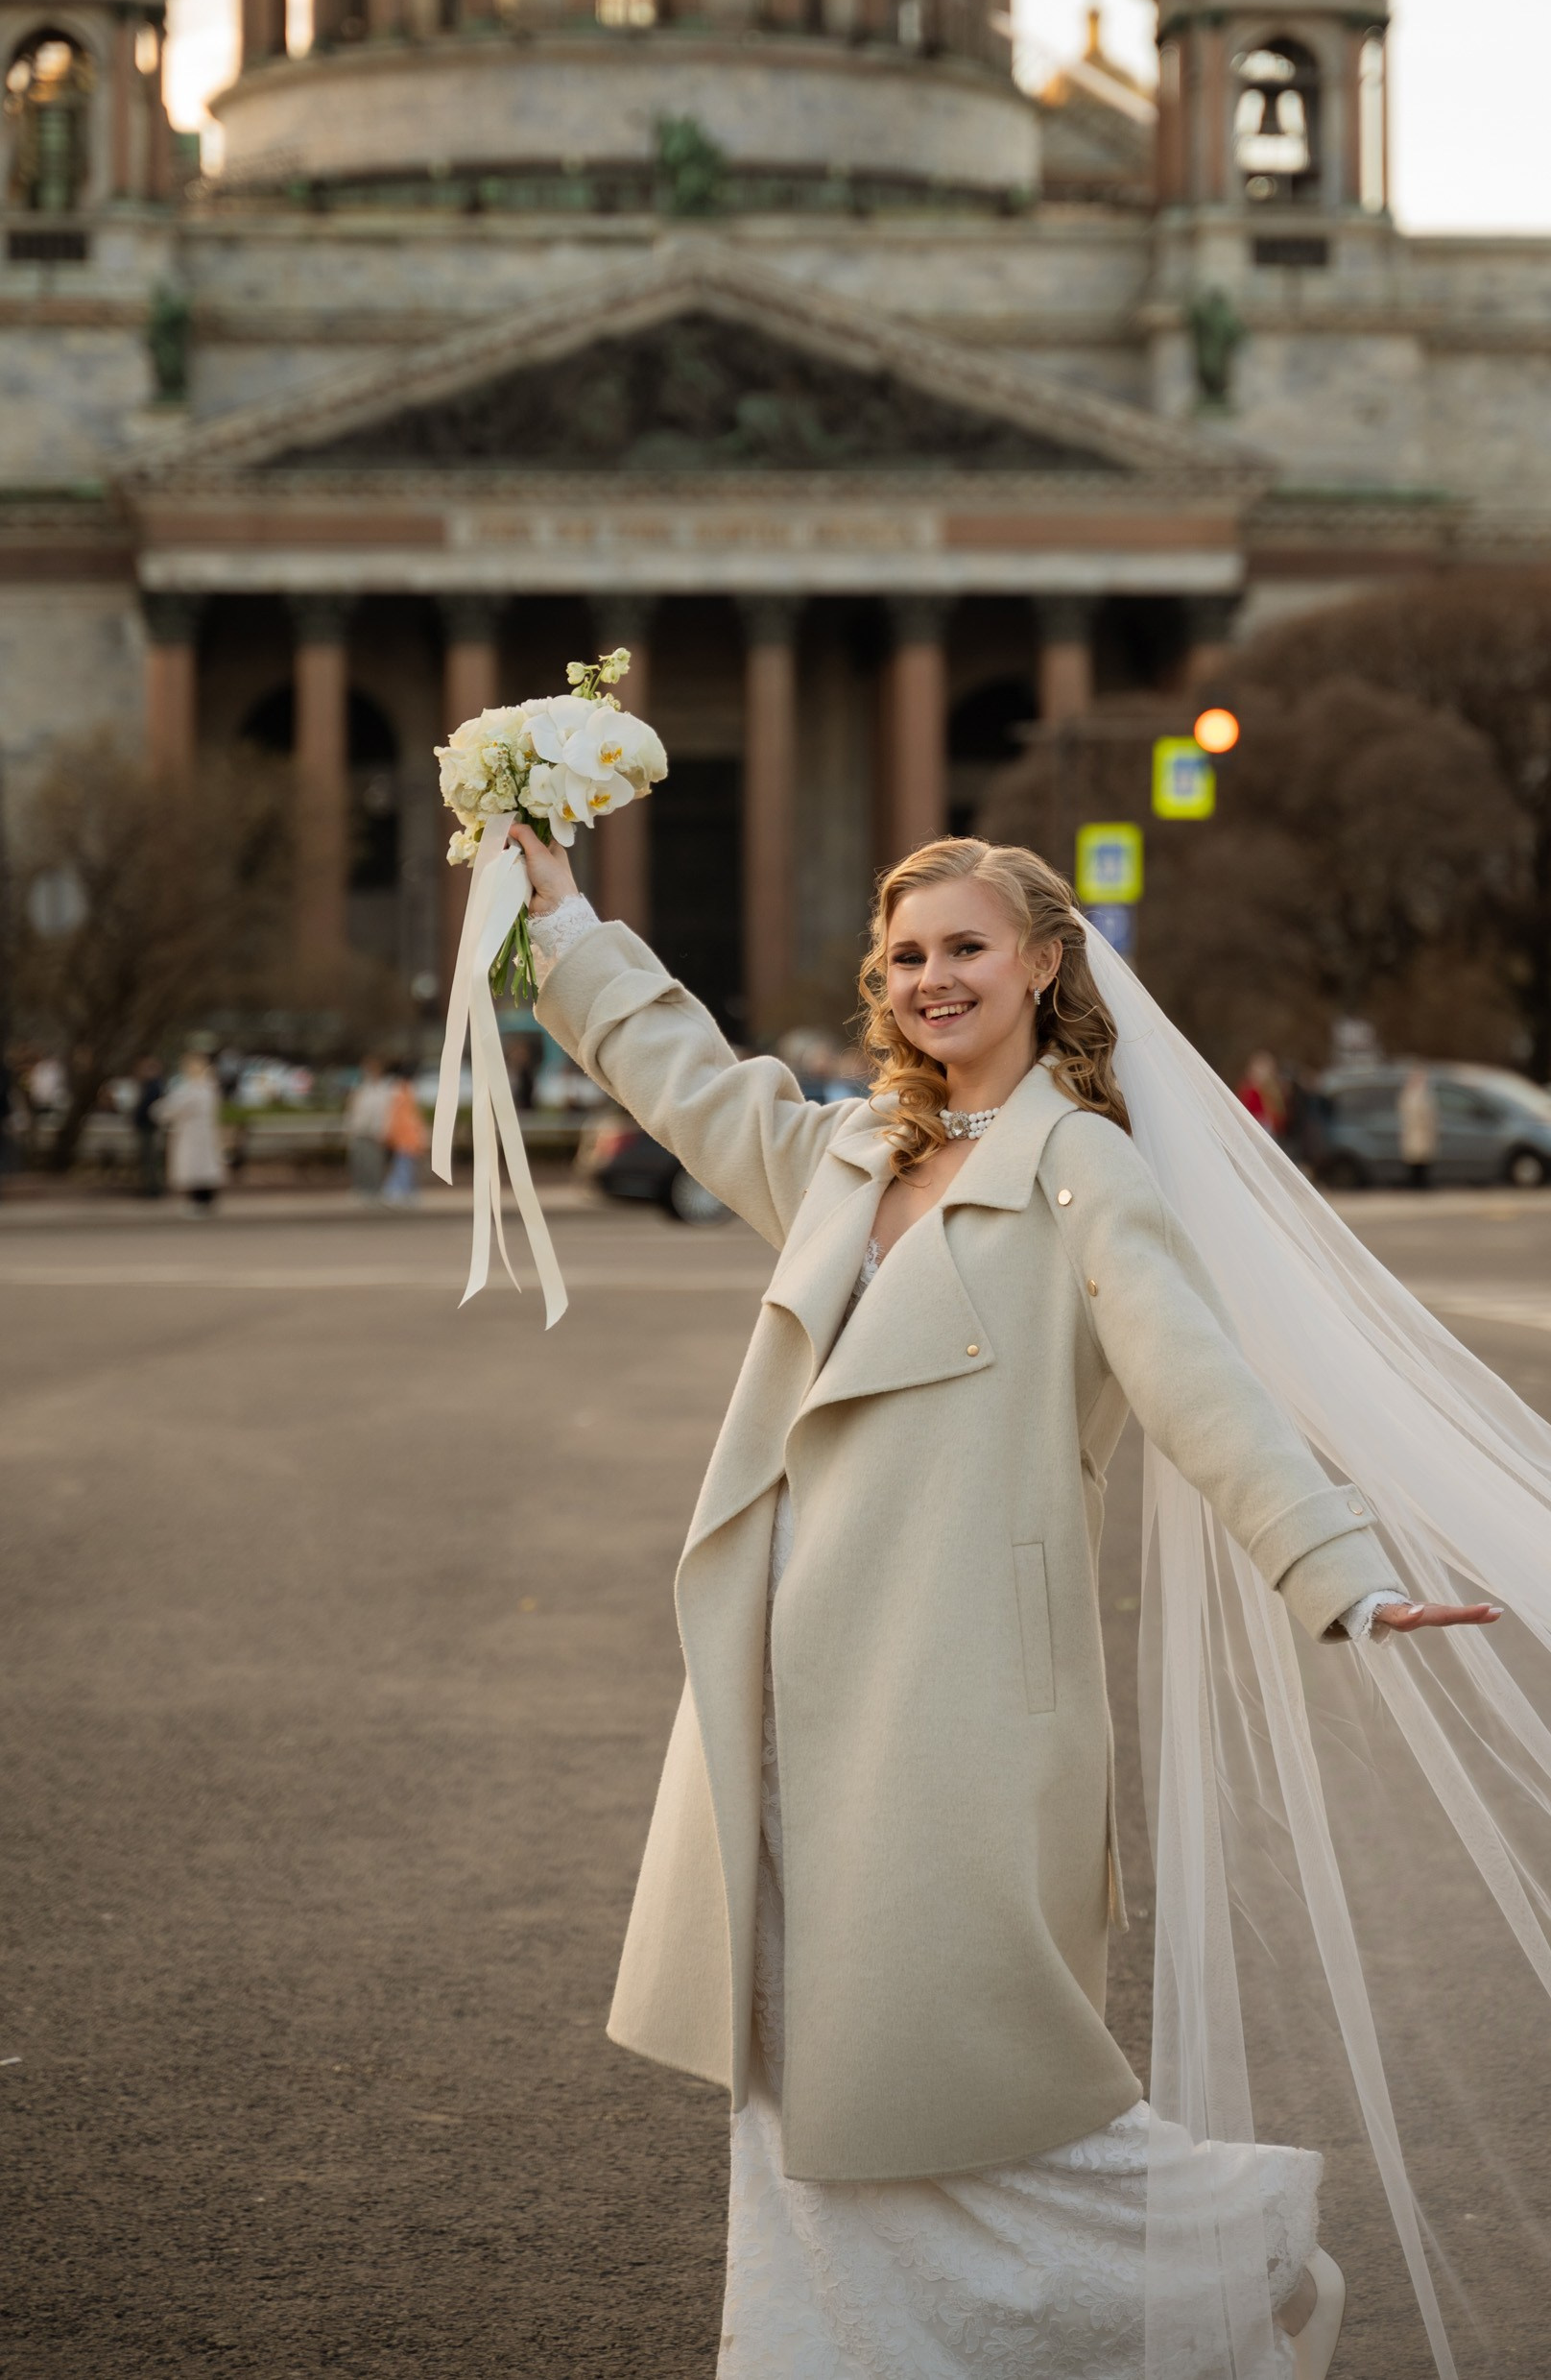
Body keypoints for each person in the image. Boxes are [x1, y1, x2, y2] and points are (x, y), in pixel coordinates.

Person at [511, 823, 1493, 2379]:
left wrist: (1339, 1569)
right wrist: (564, 924)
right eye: (905, 955)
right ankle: (818, 2350)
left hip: (963, 1701)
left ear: (1043, 962)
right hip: (782, 1691)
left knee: (974, 2064)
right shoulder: (845, 1154)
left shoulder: (1080, 1167)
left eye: (965, 947)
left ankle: (1234, 2248)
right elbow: (679, 1073)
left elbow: (1197, 1383)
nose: (931, 978)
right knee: (798, 2069)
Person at [153, 1049, 225, 1214]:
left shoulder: (194, 1089)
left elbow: (171, 1108)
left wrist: (159, 1112)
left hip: (192, 1134)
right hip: (202, 1134)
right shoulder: (209, 1089)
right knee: (203, 1167)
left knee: (196, 1167)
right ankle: (204, 1201)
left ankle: (198, 1202)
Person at [343, 1056, 391, 1202]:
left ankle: (375, 1191)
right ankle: (361, 1190)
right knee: (359, 1162)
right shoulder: (361, 1089)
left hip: (376, 1133)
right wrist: (349, 1128)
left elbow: (387, 1113)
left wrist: (384, 1131)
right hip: (360, 1131)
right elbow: (353, 1110)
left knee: (374, 1163)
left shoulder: (384, 1090)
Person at [381, 1063, 427, 1205]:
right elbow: (406, 1117)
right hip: (405, 1136)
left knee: (404, 1165)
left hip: (405, 1136)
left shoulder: (400, 1091)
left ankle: (403, 1192)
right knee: (404, 1166)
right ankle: (394, 1192)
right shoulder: (403, 1092)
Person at [130, 1056, 166, 1199]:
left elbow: (148, 1108)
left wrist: (138, 1119)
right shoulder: (152, 1085)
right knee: (149, 1158)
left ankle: (153, 1188)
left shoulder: (153, 1086)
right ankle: (151, 1187)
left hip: (148, 1126)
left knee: (150, 1157)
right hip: (148, 1125)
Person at [1396, 1060, 1437, 1189]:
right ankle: (1415, 1182)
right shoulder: (1409, 1094)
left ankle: (1421, 1182)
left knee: (1423, 1158)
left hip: (1422, 1131)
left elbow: (1431, 1114)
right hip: (1413, 1131)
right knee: (1414, 1158)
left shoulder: (1425, 1093)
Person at [1234, 1048, 1288, 1138]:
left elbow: (1277, 1116)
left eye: (1262, 1070)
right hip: (1247, 1126)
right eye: (1257, 1068)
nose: (1258, 1073)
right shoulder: (1247, 1088)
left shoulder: (1271, 1091)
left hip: (1263, 1129)